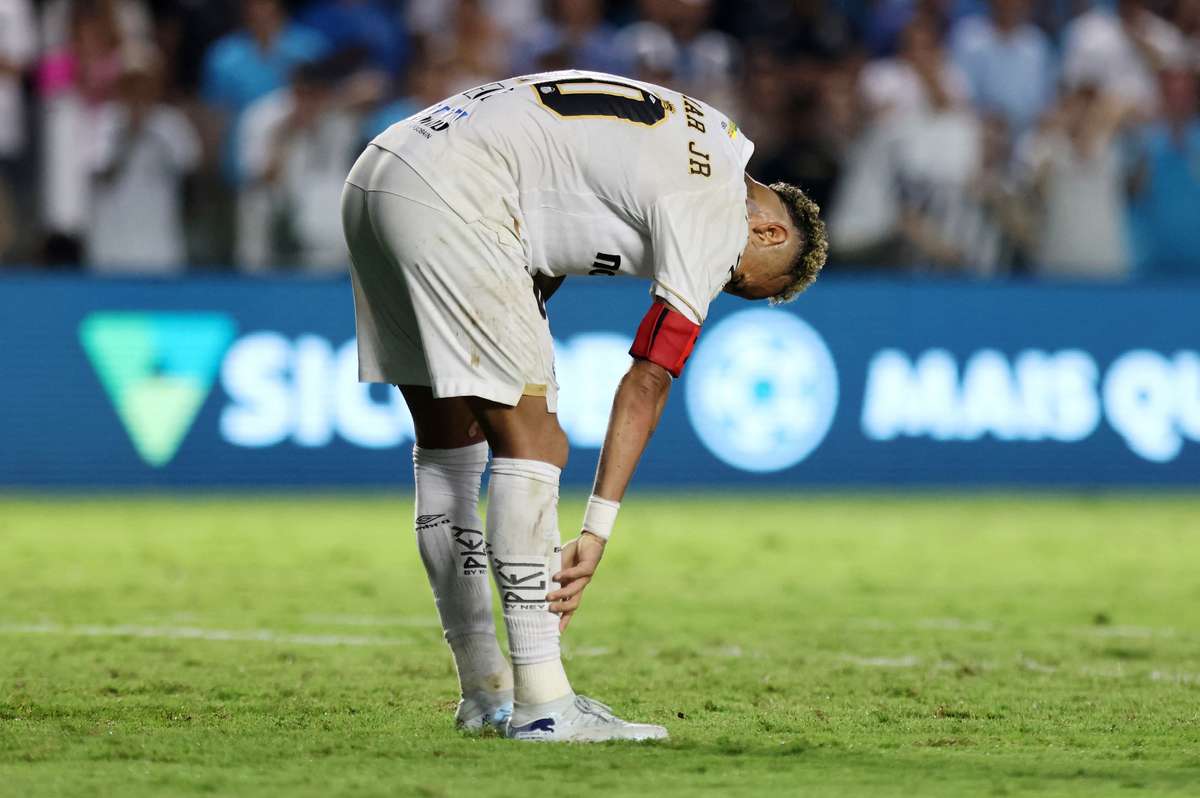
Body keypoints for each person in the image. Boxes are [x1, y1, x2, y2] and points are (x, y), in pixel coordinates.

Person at [341, 70, 827, 742]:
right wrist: (596, 530)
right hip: (460, 193)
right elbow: (648, 379)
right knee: (538, 443)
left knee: (450, 442)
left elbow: (554, 209)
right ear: (769, 232)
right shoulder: (718, 210)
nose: (720, 282)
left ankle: (485, 694)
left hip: (382, 169)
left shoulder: (708, 133)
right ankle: (544, 707)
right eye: (738, 280)